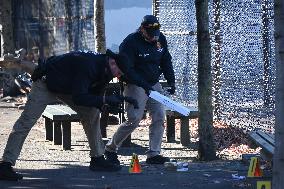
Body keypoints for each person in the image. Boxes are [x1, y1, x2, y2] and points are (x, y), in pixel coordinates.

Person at [0, 49, 150, 181]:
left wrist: (109, 101)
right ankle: (6, 164)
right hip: (46, 84)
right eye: (119, 73)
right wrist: (104, 100)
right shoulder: (89, 66)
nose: (119, 76)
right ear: (112, 63)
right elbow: (80, 97)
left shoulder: (107, 68)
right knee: (26, 121)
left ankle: (97, 159)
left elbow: (95, 95)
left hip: (68, 87)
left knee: (92, 113)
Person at [104, 15, 176, 165]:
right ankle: (110, 149)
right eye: (150, 35)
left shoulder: (160, 38)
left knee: (159, 116)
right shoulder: (131, 42)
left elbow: (165, 60)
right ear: (142, 29)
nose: (153, 38)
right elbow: (127, 69)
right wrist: (143, 85)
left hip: (153, 83)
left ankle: (153, 154)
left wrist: (171, 80)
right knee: (134, 119)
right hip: (135, 84)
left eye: (155, 34)